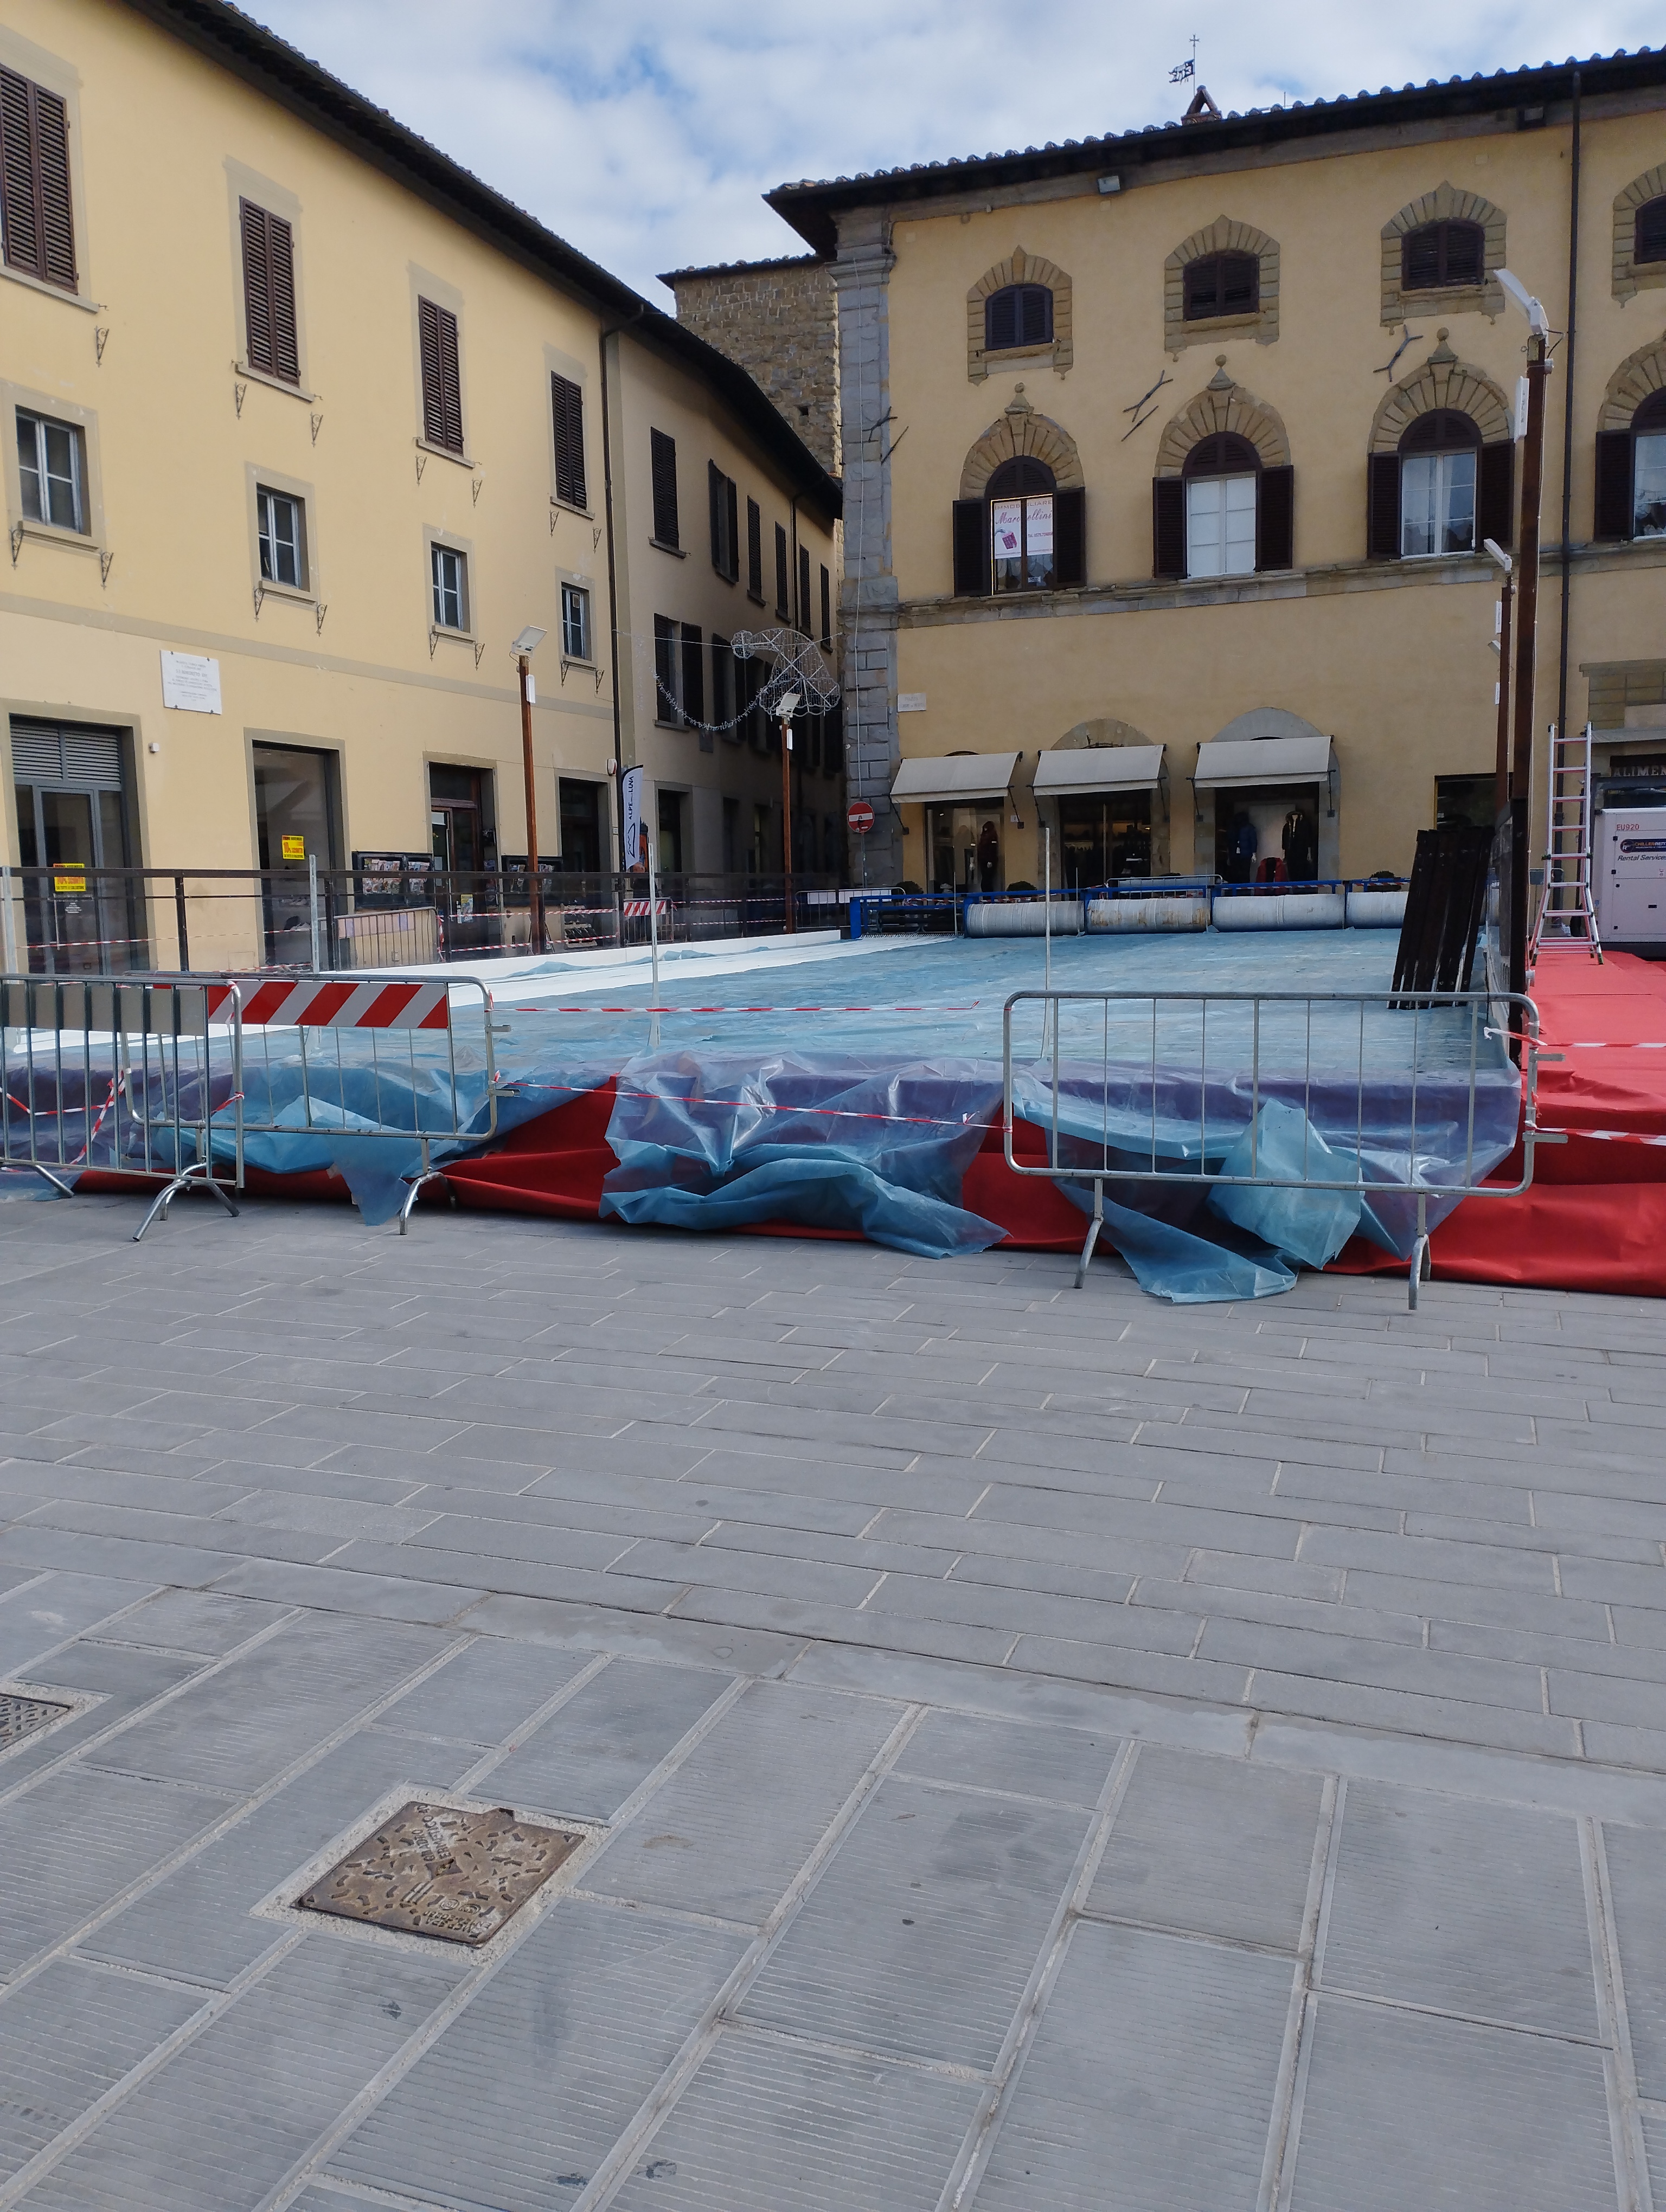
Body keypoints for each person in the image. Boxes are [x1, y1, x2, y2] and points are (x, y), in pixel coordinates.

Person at [1229, 811, 1257, 884]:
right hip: (1245, 854)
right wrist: (1254, 854)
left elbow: (1230, 841)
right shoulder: (1249, 828)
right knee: (1245, 873)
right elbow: (1253, 841)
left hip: (1236, 854)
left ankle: (1238, 890)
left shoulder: (1234, 827)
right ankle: (1245, 890)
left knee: (1237, 873)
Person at [977, 818, 999, 893]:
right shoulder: (984, 836)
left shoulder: (992, 836)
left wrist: (990, 860)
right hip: (983, 860)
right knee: (986, 880)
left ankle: (988, 898)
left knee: (987, 880)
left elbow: (993, 849)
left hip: (988, 861)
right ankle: (986, 897)